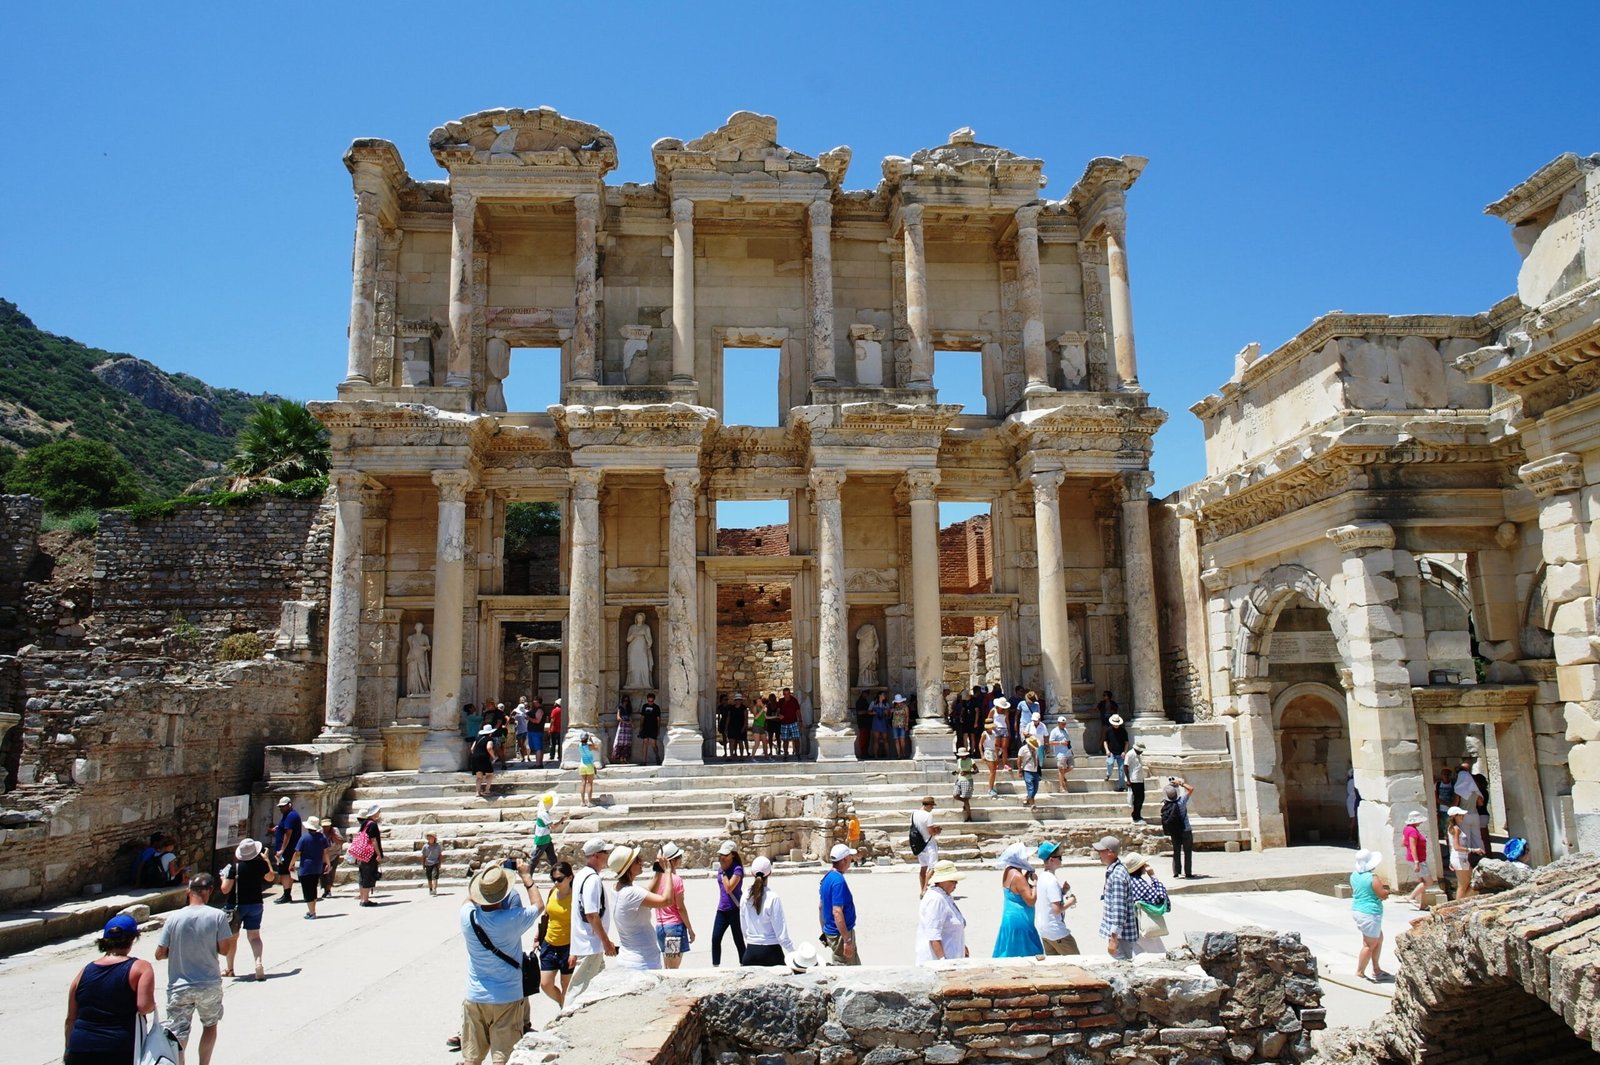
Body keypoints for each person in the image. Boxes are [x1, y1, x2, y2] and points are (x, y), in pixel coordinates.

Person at [460, 861, 543, 1065]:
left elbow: (468, 899)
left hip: (475, 995)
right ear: (505, 894)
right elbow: (539, 905)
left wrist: (486, 874)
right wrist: (526, 876)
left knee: (471, 1058)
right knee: (502, 1058)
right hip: (507, 996)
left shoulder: (467, 916)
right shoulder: (512, 919)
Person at [155, 874, 235, 1065]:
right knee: (210, 1025)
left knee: (178, 1032)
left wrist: (178, 950)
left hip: (179, 986)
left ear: (188, 891)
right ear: (210, 891)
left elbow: (159, 953)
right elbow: (225, 950)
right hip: (208, 983)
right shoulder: (217, 916)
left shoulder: (174, 918)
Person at [62, 914, 156, 1065]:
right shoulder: (141, 967)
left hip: (80, 1047)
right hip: (118, 1048)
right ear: (132, 939)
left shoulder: (84, 971)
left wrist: (68, 1049)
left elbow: (71, 1018)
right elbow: (145, 1006)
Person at [609, 844, 680, 971]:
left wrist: (659, 871)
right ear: (628, 867)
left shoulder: (617, 888)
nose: (641, 862)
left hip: (630, 959)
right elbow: (667, 900)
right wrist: (668, 871)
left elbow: (648, 893)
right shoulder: (631, 893)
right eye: (637, 860)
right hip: (642, 962)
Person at [567, 838, 616, 1009]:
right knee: (578, 989)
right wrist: (606, 942)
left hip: (588, 943)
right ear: (596, 855)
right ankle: (565, 1018)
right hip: (590, 944)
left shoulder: (581, 875)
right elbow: (591, 914)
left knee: (597, 986)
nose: (607, 855)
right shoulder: (592, 879)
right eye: (605, 852)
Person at [218, 839, 272, 981]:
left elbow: (225, 889)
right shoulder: (260, 865)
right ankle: (258, 962)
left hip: (235, 906)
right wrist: (266, 860)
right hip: (255, 904)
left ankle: (230, 969)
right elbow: (271, 877)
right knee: (255, 937)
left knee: (232, 938)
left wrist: (223, 878)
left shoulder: (234, 868)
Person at [738, 856, 795, 966]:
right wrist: (793, 953)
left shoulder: (745, 896)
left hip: (750, 952)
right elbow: (781, 935)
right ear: (770, 873)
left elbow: (744, 928)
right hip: (771, 953)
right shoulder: (773, 897)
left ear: (752, 873)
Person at [991, 842, 1044, 958]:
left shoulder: (1009, 871)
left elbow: (1017, 889)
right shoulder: (1018, 877)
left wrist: (1026, 877)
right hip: (1020, 920)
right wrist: (1035, 883)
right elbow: (1031, 901)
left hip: (1010, 918)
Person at [650, 841, 695, 969]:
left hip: (661, 927)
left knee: (667, 966)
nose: (680, 860)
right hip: (674, 928)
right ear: (673, 861)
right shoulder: (676, 880)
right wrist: (690, 929)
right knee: (674, 969)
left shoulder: (657, 879)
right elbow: (680, 907)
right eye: (679, 857)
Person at [915, 859, 969, 964]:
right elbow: (933, 934)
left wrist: (962, 947)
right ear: (942, 881)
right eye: (953, 881)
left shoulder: (944, 896)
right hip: (938, 961)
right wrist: (942, 962)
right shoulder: (936, 900)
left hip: (953, 957)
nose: (956, 883)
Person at [1093, 835, 1138, 960]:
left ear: (1110, 852)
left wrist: (1113, 939)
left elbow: (1119, 910)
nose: (1099, 854)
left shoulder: (1117, 875)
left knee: (1123, 965)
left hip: (1121, 936)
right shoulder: (1115, 870)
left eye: (1101, 851)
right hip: (1119, 935)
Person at [1349, 849, 1391, 982]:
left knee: (1378, 938)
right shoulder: (1372, 877)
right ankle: (1360, 972)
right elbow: (1382, 894)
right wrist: (1386, 892)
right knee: (1369, 945)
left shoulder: (1354, 875)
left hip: (1358, 910)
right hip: (1370, 913)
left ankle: (1376, 969)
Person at [538, 862, 575, 1009]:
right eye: (553, 879)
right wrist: (537, 936)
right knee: (545, 984)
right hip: (549, 944)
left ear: (570, 878)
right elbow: (547, 915)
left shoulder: (576, 897)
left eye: (559, 879)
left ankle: (564, 1011)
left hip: (567, 946)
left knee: (566, 985)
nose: (555, 882)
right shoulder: (553, 891)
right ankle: (562, 1003)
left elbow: (580, 925)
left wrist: (575, 952)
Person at [1034, 841, 1078, 955]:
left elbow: (1048, 900)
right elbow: (1057, 909)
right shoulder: (1052, 881)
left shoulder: (1043, 877)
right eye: (1059, 857)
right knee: (1077, 961)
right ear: (1051, 860)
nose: (1061, 859)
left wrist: (1062, 892)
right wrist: (1071, 901)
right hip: (1056, 931)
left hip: (1044, 930)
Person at [819, 842, 860, 964]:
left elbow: (821, 907)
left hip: (832, 932)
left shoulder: (827, 877)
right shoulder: (838, 881)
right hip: (841, 935)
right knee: (846, 967)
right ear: (845, 860)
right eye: (850, 858)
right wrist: (847, 940)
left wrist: (824, 931)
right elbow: (837, 911)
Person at [1122, 852, 1170, 954]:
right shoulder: (1138, 883)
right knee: (1160, 955)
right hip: (1141, 926)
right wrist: (1153, 876)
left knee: (1139, 957)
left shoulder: (1125, 881)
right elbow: (1159, 898)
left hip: (1129, 928)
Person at [709, 840, 747, 967]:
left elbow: (729, 887)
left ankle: (744, 965)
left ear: (733, 855)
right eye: (721, 855)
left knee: (738, 940)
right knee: (715, 938)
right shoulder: (721, 868)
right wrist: (723, 870)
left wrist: (724, 872)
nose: (722, 857)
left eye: (725, 855)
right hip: (722, 909)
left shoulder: (737, 869)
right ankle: (715, 966)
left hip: (734, 909)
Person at [290, 816, 330, 919]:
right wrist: (328, 864)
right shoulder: (322, 837)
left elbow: (297, 853)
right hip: (317, 867)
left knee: (307, 890)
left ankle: (312, 913)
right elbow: (326, 852)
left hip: (306, 867)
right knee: (313, 888)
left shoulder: (304, 838)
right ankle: (312, 909)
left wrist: (291, 864)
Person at [1161, 777, 1196, 879]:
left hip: (1175, 831)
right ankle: (1188, 872)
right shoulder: (1182, 801)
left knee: (1176, 851)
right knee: (1187, 851)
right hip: (1186, 829)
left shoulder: (1166, 803)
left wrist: (1170, 786)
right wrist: (1180, 783)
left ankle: (1176, 872)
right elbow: (1191, 789)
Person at [1446, 805, 1483, 900]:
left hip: (1460, 859)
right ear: (1455, 816)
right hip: (1460, 859)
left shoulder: (1453, 828)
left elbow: (1451, 846)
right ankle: (1457, 904)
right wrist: (1474, 850)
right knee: (1463, 885)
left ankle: (1462, 901)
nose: (1462, 817)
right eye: (1460, 815)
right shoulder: (1456, 829)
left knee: (1472, 881)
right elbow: (1456, 847)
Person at [353, 801, 384, 906]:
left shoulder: (365, 823)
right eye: (378, 811)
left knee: (362, 875)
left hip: (362, 853)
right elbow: (373, 840)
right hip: (370, 854)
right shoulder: (373, 824)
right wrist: (378, 854)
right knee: (368, 875)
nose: (379, 813)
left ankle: (362, 898)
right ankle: (365, 900)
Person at [271, 796, 302, 903]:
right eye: (280, 807)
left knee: (285, 871)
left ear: (289, 805)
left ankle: (286, 894)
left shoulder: (291, 816)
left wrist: (282, 850)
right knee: (287, 870)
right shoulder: (288, 815)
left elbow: (288, 833)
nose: (281, 808)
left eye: (283, 806)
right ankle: (287, 893)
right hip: (288, 849)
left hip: (287, 850)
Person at [1402, 811, 1433, 911]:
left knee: (1422, 882)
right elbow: (1413, 846)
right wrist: (1416, 862)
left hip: (1413, 858)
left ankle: (1423, 904)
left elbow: (1403, 843)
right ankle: (1411, 897)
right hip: (1418, 860)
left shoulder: (1407, 829)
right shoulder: (1413, 831)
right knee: (1428, 882)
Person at [912, 796, 941, 895]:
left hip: (919, 844)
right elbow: (930, 832)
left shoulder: (914, 814)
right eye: (932, 806)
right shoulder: (928, 815)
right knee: (932, 867)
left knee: (923, 867)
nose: (932, 808)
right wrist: (938, 830)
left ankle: (922, 889)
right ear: (928, 805)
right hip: (929, 844)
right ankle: (925, 889)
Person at [530, 793, 559, 873]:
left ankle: (556, 875)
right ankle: (528, 876)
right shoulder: (544, 814)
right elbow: (553, 827)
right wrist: (561, 821)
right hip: (542, 838)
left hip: (547, 838)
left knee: (553, 858)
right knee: (535, 859)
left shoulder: (542, 811)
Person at [469, 724, 499, 800]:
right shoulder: (489, 739)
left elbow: (472, 749)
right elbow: (489, 748)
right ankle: (487, 791)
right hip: (484, 757)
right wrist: (494, 757)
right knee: (489, 774)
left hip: (475, 757)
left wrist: (476, 755)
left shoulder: (477, 738)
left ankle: (477, 792)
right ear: (490, 732)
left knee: (479, 776)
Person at [319, 819, 345, 899]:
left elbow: (341, 841)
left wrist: (333, 836)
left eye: (327, 826)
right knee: (322, 873)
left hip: (334, 855)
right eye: (324, 826)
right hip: (323, 856)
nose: (326, 828)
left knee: (330, 872)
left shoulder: (335, 831)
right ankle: (325, 889)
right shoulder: (319, 832)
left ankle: (328, 890)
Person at [1049, 716, 1075, 794]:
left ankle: (1061, 775)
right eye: (1062, 724)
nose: (1064, 725)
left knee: (1071, 767)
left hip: (1068, 752)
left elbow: (1068, 741)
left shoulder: (1065, 730)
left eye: (1065, 724)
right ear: (1058, 723)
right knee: (1061, 769)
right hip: (1060, 753)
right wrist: (1060, 743)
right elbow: (1050, 742)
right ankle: (1061, 787)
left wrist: (1071, 750)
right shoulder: (1054, 731)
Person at [1104, 714, 1130, 791]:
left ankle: (1121, 786)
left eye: (1117, 723)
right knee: (1110, 763)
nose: (1116, 725)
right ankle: (1108, 774)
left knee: (1121, 770)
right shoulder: (1108, 730)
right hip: (1111, 752)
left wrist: (1124, 752)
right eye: (1115, 723)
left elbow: (1126, 742)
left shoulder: (1123, 731)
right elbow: (1105, 741)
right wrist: (1107, 750)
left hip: (1121, 753)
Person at [1123, 742, 1147, 823]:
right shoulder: (1130, 754)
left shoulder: (1138, 755)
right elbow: (1125, 766)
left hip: (1139, 779)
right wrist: (1128, 780)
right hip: (1134, 780)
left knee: (1141, 798)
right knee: (1137, 799)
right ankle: (1136, 816)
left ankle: (1137, 814)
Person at [952, 747, 976, 822]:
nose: (962, 757)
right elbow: (959, 770)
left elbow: (976, 770)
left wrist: (967, 772)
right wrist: (956, 772)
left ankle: (969, 817)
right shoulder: (959, 760)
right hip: (959, 780)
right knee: (955, 795)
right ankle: (965, 803)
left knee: (966, 799)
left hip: (967, 780)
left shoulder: (971, 760)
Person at [1018, 735, 1043, 808]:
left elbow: (1037, 759)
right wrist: (1020, 770)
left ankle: (1027, 799)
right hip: (1027, 770)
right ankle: (1032, 804)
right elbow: (1019, 760)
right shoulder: (1023, 749)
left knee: (1035, 789)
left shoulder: (1036, 749)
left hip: (1035, 771)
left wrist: (1039, 770)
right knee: (1031, 788)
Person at [779, 686, 803, 759]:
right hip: (784, 723)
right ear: (783, 694)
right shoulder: (781, 701)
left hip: (793, 722)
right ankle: (785, 754)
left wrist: (800, 720)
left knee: (796, 739)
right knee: (785, 740)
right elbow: (778, 710)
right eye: (785, 694)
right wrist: (779, 715)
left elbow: (798, 711)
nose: (786, 695)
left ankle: (798, 753)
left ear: (790, 693)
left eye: (787, 694)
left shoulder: (794, 700)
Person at [638, 692, 662, 764]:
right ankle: (644, 761)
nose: (650, 702)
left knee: (653, 744)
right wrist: (641, 727)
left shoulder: (656, 707)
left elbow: (658, 719)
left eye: (651, 701)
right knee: (645, 742)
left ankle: (657, 756)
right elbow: (642, 717)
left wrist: (658, 729)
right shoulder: (644, 706)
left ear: (654, 700)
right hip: (645, 727)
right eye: (649, 701)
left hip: (653, 727)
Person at [990, 696, 1012, 771]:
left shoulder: (1006, 711)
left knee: (1004, 747)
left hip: (1004, 729)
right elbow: (989, 720)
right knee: (996, 747)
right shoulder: (993, 710)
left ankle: (1005, 764)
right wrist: (991, 728)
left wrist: (1009, 730)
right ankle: (996, 763)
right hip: (995, 729)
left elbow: (1007, 721)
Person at [577, 732, 599, 807]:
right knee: (589, 783)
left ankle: (582, 802)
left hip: (582, 765)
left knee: (583, 783)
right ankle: (589, 802)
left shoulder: (579, 745)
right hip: (589, 765)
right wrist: (591, 740)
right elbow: (596, 748)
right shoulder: (589, 746)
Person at [981, 721, 1001, 798]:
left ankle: (991, 787)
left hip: (993, 752)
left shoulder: (993, 734)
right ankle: (990, 789)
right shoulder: (984, 734)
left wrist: (997, 754)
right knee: (992, 771)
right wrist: (982, 755)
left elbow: (994, 745)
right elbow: (980, 744)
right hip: (988, 752)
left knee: (994, 772)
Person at [612, 694, 634, 764]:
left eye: (627, 701)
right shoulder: (620, 707)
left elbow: (630, 717)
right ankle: (621, 758)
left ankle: (624, 758)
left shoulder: (629, 708)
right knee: (621, 741)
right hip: (622, 725)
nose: (625, 702)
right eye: (624, 700)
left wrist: (631, 723)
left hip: (628, 727)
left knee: (627, 742)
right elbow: (618, 717)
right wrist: (625, 722)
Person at [528, 697, 548, 769]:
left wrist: (529, 718)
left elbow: (537, 721)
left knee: (538, 748)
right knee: (537, 748)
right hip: (534, 731)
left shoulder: (540, 710)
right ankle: (539, 763)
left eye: (535, 701)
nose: (533, 702)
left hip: (536, 731)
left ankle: (538, 764)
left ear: (537, 702)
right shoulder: (535, 709)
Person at [421, 832, 443, 896]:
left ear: (434, 838)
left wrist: (440, 863)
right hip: (428, 863)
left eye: (431, 837)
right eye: (428, 837)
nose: (429, 838)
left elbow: (440, 855)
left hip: (435, 863)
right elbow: (423, 856)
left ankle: (434, 889)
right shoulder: (425, 846)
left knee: (434, 877)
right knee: (429, 878)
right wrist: (423, 864)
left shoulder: (438, 846)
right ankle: (430, 889)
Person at [891, 693, 910, 759]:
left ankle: (903, 753)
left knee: (902, 740)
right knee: (896, 740)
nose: (899, 703)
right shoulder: (894, 707)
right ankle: (899, 755)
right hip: (895, 725)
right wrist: (890, 712)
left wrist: (906, 725)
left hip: (902, 725)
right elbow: (890, 715)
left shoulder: (905, 707)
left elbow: (907, 716)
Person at [1346, 767, 1361, 841]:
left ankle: (1352, 836)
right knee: (1353, 819)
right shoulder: (1354, 781)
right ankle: (1351, 837)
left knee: (1352, 819)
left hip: (1350, 800)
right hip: (1354, 800)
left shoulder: (1349, 781)